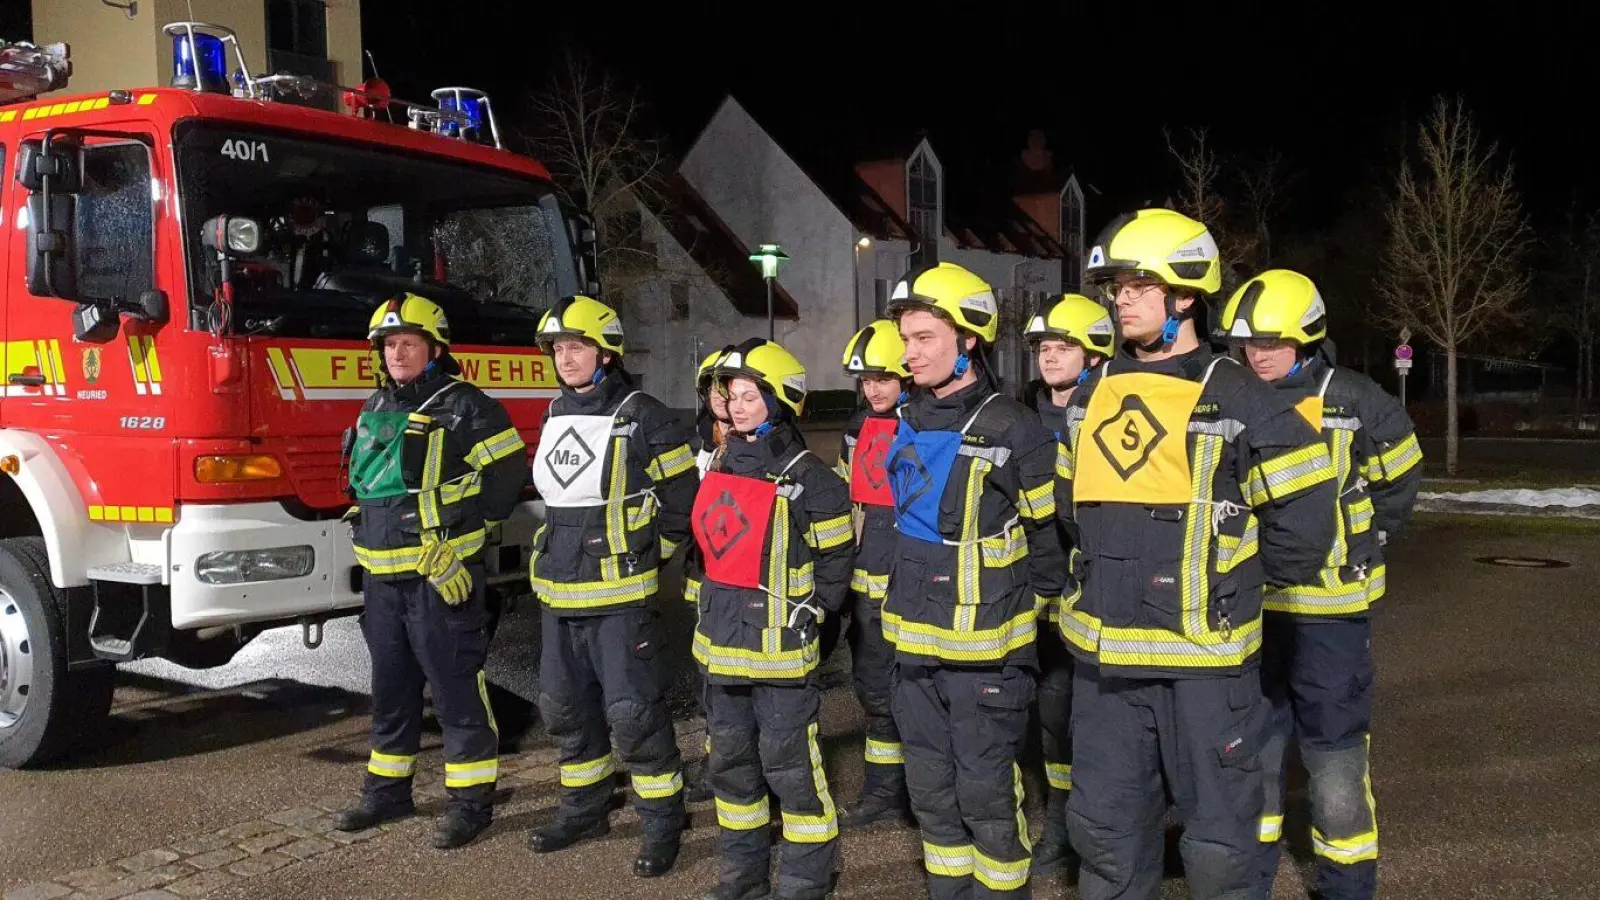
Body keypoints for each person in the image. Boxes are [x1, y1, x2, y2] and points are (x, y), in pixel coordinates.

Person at [1055, 208, 1339, 900]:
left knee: (1220, 854)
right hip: (1106, 670)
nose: (1120, 297)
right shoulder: (1089, 400)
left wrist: (1225, 593)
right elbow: (1070, 516)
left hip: (1206, 673)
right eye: (1116, 285)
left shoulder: (1243, 396)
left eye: (1137, 284)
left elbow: (1302, 532)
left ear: (1185, 295)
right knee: (1104, 842)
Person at [1217, 269, 1423, 900]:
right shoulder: (1230, 397)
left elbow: (1399, 479)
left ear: (1307, 337)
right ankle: (1252, 874)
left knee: (1333, 757)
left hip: (1332, 613)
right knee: (1254, 746)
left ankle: (1347, 884)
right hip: (1253, 609)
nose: (1258, 354)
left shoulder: (1356, 399)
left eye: (1272, 341)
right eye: (1249, 343)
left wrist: (1363, 540)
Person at [882, 262, 1068, 900]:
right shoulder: (908, 416)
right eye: (905, 339)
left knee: (987, 796)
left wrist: (1033, 618)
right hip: (915, 647)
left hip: (987, 654)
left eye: (924, 338)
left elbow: (1051, 536)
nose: (909, 353)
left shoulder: (1013, 426)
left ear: (969, 340)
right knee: (931, 796)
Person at [336, 292, 527, 849]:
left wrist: (456, 540)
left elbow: (505, 480)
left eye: (409, 343)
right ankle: (387, 793)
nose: (398, 352)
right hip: (383, 582)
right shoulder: (375, 403)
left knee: (455, 689)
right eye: (389, 343)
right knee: (390, 689)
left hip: (442, 578)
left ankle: (472, 803)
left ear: (434, 348)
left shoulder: (467, 406)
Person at [524, 295, 699, 878]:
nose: (565, 357)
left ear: (605, 352)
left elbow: (683, 500)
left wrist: (652, 557)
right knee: (564, 709)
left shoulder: (643, 413)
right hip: (559, 594)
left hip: (621, 599)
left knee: (633, 713)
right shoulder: (553, 411)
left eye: (576, 346)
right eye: (558, 348)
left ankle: (663, 821)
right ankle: (585, 808)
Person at [691, 338, 854, 900]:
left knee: (790, 769)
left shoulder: (813, 477)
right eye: (732, 396)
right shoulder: (715, 462)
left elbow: (837, 565)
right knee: (731, 769)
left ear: (779, 400)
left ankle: (807, 878)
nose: (737, 407)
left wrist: (816, 618)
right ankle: (743, 876)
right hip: (721, 647)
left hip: (781, 651)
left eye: (750, 396)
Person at [1016, 293, 1115, 877]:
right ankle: (1060, 821)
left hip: (1100, 591)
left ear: (1094, 351)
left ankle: (1101, 828)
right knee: (1051, 714)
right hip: (1040, 590)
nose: (1050, 358)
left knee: (1102, 719)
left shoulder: (1114, 412)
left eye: (1064, 347)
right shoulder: (1021, 414)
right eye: (1044, 349)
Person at [835, 319, 916, 829]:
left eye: (883, 377)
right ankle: (885, 790)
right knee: (875, 693)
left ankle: (926, 792)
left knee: (920, 697)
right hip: (867, 587)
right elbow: (851, 506)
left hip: (915, 587)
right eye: (866, 380)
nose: (874, 388)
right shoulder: (855, 429)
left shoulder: (926, 426)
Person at [684, 343, 735, 805]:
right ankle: (714, 756)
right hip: (703, 578)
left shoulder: (761, 442)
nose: (721, 396)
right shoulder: (699, 442)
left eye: (729, 386)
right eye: (713, 388)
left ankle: (735, 761)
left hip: (743, 587)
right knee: (709, 676)